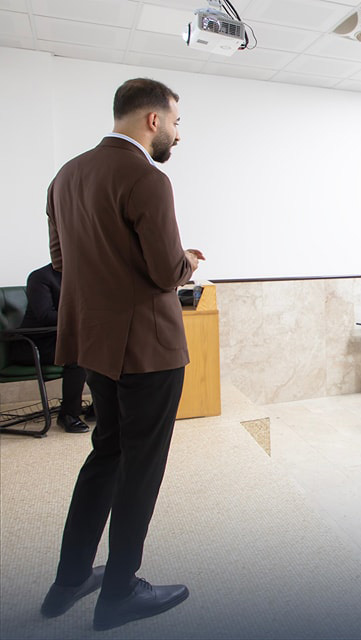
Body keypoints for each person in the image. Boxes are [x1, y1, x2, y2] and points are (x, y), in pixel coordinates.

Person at [39, 78, 204, 631]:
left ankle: (69, 581)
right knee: (141, 469)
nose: (178, 134)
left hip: (94, 343)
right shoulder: (147, 178)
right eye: (176, 122)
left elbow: (60, 261)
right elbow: (164, 271)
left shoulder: (65, 176)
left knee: (106, 452)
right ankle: (119, 592)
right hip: (148, 350)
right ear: (153, 119)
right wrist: (187, 261)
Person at [10, 263, 89, 433]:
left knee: (103, 350)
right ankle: (68, 415)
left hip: (62, 341)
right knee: (78, 355)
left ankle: (97, 409)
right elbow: (45, 315)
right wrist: (85, 316)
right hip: (32, 345)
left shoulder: (82, 274)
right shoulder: (40, 277)